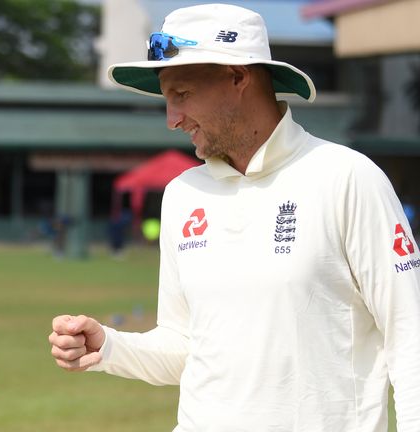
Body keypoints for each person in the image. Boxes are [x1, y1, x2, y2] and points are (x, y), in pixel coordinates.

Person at [49, 4, 420, 431]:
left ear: (238, 76)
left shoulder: (346, 177)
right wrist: (109, 346)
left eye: (182, 95)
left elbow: (409, 336)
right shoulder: (183, 195)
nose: (172, 120)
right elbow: (187, 345)